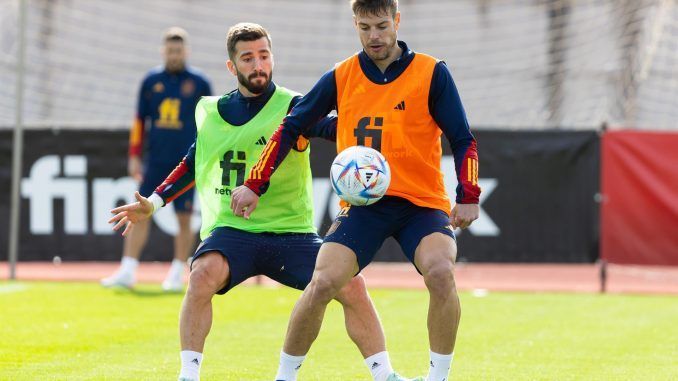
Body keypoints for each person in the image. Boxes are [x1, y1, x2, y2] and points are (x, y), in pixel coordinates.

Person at [109, 23, 412, 381]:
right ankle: (188, 375)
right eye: (248, 58)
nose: (258, 65)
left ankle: (385, 375)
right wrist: (155, 202)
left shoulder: (295, 106)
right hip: (233, 231)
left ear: (273, 58)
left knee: (351, 284)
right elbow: (194, 162)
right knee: (202, 274)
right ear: (231, 66)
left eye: (264, 56)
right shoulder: (212, 110)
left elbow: (339, 129)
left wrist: (385, 131)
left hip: (292, 234)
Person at [230, 1, 482, 380]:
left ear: (396, 21)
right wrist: (254, 183)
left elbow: (463, 138)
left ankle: (438, 377)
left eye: (381, 26)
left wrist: (469, 193)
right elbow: (291, 126)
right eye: (364, 28)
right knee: (323, 283)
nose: (374, 36)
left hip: (421, 203)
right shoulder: (341, 75)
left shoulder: (431, 72)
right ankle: (284, 376)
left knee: (441, 271)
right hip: (363, 205)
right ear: (355, 24)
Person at [102, 27, 212, 291]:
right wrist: (135, 156)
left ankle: (177, 272)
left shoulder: (200, 83)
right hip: (157, 160)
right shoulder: (151, 81)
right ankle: (128, 269)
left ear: (186, 52)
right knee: (141, 210)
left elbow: (210, 122)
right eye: (170, 50)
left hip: (187, 161)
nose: (174, 55)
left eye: (179, 50)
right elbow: (139, 121)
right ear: (164, 51)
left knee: (184, 217)